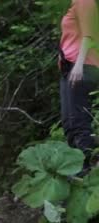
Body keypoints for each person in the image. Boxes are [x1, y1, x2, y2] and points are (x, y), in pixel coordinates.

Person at [59, 0, 99, 169]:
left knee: (78, 121)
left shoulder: (85, 1)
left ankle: (86, 168)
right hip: (71, 67)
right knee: (70, 123)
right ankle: (78, 168)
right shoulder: (75, 3)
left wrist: (79, 64)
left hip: (82, 66)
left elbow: (88, 35)